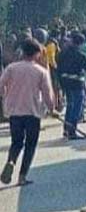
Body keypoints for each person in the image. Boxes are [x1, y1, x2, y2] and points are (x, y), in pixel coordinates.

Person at [0, 39, 55, 185]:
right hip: (33, 112)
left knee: (16, 142)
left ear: (22, 52)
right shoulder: (41, 71)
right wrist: (52, 109)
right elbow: (47, 94)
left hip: (14, 112)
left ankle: (11, 160)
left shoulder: (11, 68)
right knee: (30, 144)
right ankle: (22, 176)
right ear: (37, 54)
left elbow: (1, 85)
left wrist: (5, 96)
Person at [57, 32, 86, 139]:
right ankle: (72, 131)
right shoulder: (81, 56)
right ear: (81, 44)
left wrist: (60, 83)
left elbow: (58, 69)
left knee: (70, 105)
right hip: (77, 83)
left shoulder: (62, 53)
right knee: (77, 108)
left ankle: (66, 129)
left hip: (66, 83)